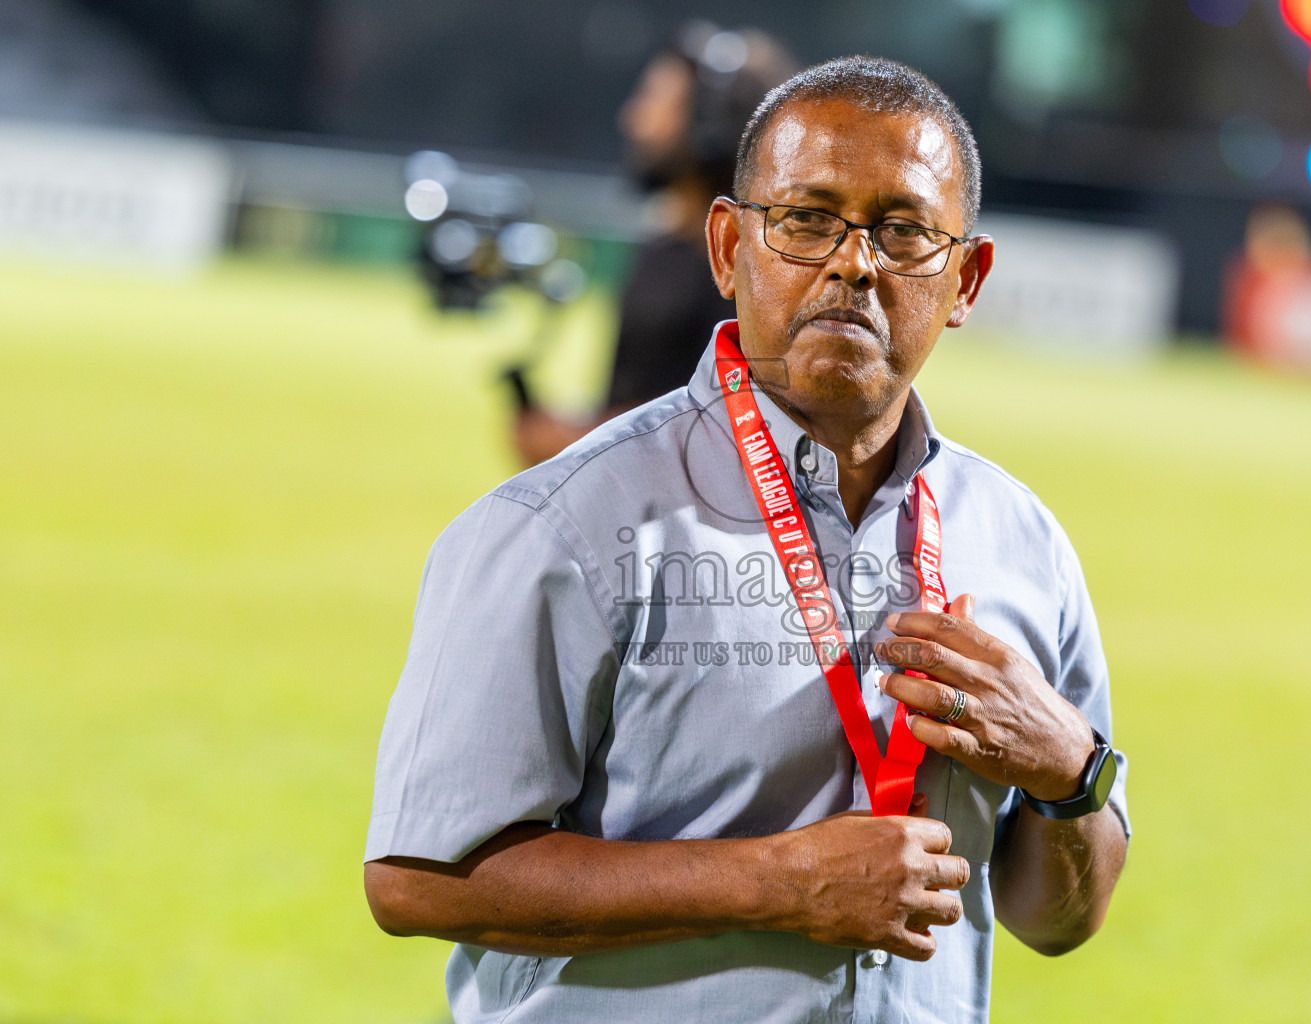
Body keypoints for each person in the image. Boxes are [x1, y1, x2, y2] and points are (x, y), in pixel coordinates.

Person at [365, 56, 1130, 1023]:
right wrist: (776, 881)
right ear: (728, 246)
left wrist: (1072, 773)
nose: (854, 263)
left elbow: (1061, 918)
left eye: (904, 232)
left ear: (966, 277)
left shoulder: (1022, 543)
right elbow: (419, 878)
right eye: (807, 220)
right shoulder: (562, 527)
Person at [512, 25, 796, 464]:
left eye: (656, 102)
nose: (634, 118)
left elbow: (721, 425)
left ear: (710, 126)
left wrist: (574, 444)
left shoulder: (745, 267)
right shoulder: (666, 247)